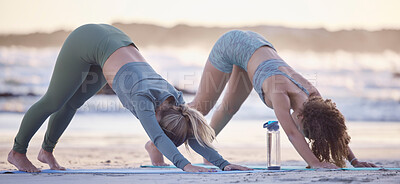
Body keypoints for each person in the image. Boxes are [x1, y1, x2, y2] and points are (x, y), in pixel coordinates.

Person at [7, 24, 251, 173]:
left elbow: (191, 135)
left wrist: (222, 163)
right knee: (54, 100)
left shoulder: (176, 102)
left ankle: (45, 152)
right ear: (157, 118)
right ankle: (17, 151)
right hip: (88, 39)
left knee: (73, 102)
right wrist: (184, 165)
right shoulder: (143, 99)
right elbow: (157, 136)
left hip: (116, 44)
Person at [145, 30, 377, 169]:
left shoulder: (314, 97)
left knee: (228, 110)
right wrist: (315, 164)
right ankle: (156, 142)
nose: (298, 126)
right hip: (232, 45)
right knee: (199, 108)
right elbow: (293, 134)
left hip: (256, 49)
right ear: (302, 115)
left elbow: (331, 127)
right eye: (303, 126)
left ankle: (207, 153)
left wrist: (354, 160)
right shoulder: (280, 94)